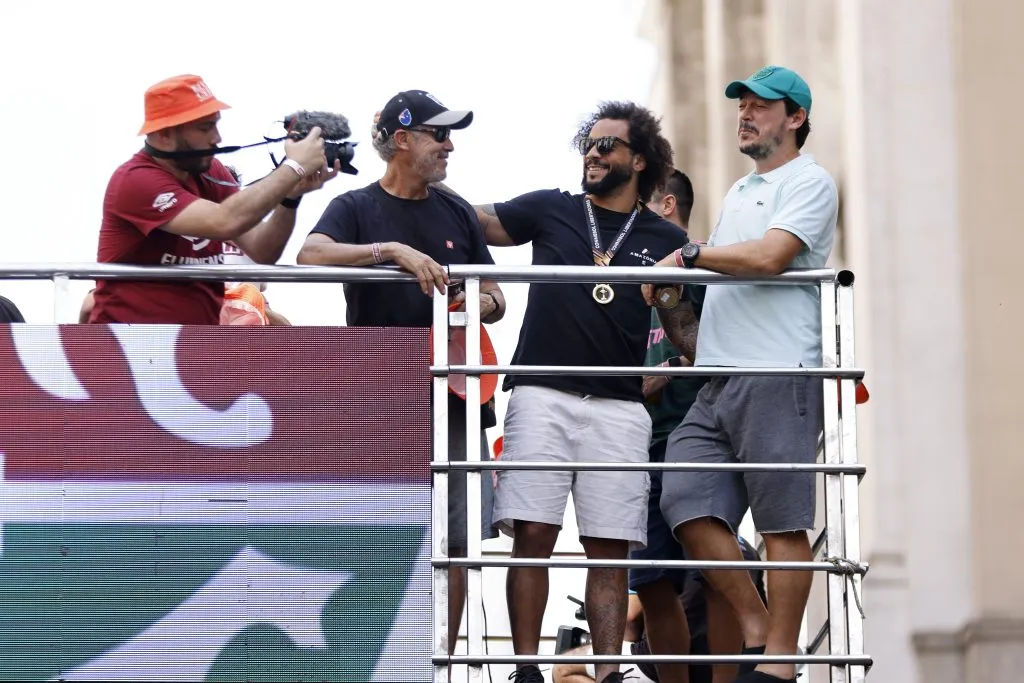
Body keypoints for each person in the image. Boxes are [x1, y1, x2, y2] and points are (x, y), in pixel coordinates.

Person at [460, 101, 696, 683]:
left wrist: (688, 361)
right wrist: (413, 201)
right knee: (533, 536)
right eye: (588, 144)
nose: (593, 153)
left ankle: (610, 671)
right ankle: (525, 670)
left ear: (639, 159)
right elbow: (471, 221)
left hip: (620, 407)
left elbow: (686, 328)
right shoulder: (551, 209)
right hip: (540, 392)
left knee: (610, 548)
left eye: (608, 145)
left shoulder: (665, 236)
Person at [645, 65, 838, 683]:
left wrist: (691, 253)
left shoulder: (810, 182)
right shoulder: (737, 191)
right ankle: (757, 625)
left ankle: (780, 661)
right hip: (716, 381)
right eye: (743, 105)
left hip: (779, 371)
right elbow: (710, 279)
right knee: (684, 502)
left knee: (782, 520)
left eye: (761, 106)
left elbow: (770, 257)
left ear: (796, 118)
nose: (745, 115)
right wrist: (671, 290)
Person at [295, 90, 505, 658]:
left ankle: (438, 657)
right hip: (379, 393)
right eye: (440, 135)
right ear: (404, 139)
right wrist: (391, 252)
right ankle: (374, 657)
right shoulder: (357, 206)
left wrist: (473, 302)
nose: (450, 145)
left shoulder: (458, 211)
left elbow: (498, 299)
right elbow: (309, 256)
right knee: (377, 533)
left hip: (455, 395)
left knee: (458, 539)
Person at [88, 73, 335, 324]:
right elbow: (224, 221)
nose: (217, 138)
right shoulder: (135, 180)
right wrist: (293, 167)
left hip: (193, 343)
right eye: (205, 128)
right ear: (164, 135)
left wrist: (290, 197)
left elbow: (262, 250)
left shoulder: (211, 171)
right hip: (130, 342)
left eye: (216, 124)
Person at [631, 169, 708, 683]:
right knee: (652, 580)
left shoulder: (707, 263)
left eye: (637, 205)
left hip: (698, 434)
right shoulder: (623, 273)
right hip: (638, 441)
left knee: (714, 571)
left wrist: (673, 370)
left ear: (665, 204)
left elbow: (722, 346)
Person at [553, 537, 766, 683]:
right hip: (738, 663)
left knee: (564, 668)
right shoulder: (747, 549)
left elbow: (630, 622)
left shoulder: (654, 541)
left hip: (669, 662)